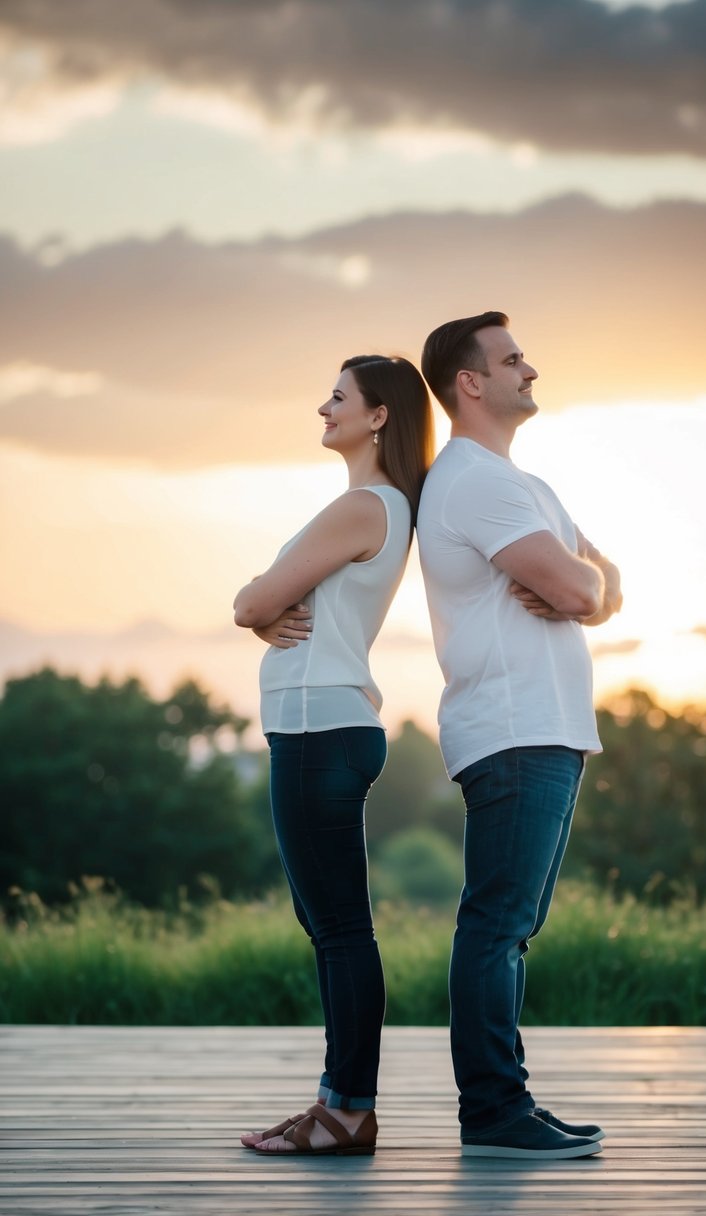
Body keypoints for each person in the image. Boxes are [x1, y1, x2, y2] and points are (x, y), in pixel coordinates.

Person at [417, 311, 622, 1160]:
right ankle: (493, 1113)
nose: (528, 369)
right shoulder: (477, 482)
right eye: (510, 359)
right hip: (512, 730)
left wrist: (588, 585)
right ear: (470, 383)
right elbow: (583, 594)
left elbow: (606, 584)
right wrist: (585, 586)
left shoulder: (523, 485)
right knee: (496, 924)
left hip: (546, 730)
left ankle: (506, 1104)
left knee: (509, 925)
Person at [233, 354, 434, 1156]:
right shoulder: (371, 507)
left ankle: (347, 1111)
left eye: (338, 396)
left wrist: (256, 610)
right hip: (321, 726)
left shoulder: (362, 506)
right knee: (332, 927)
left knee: (340, 930)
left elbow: (254, 599)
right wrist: (262, 610)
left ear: (378, 415)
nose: (323, 407)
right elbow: (267, 606)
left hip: (321, 728)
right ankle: (335, 1103)